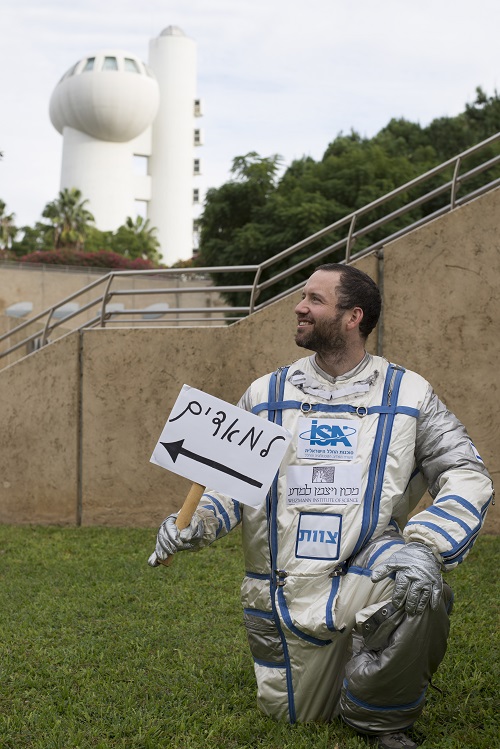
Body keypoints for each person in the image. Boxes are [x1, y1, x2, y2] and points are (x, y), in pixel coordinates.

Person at [148, 263, 493, 749]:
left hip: (365, 572)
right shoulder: (265, 394)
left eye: (313, 299)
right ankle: (346, 670)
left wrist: (427, 545)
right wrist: (194, 524)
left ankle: (383, 721)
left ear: (353, 317)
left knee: (421, 583)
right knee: (299, 716)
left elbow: (466, 472)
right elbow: (229, 487)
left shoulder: (410, 394)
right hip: (284, 591)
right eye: (302, 297)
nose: (299, 306)